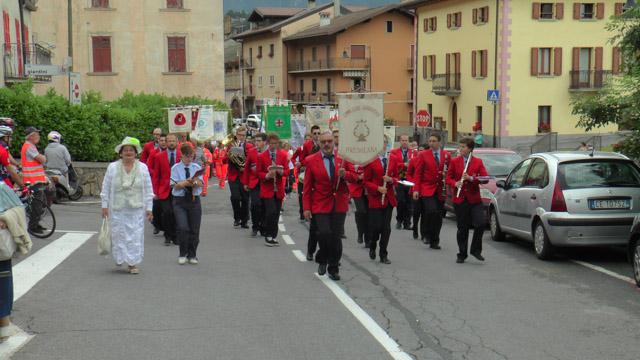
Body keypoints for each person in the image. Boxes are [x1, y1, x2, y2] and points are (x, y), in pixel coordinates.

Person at [303, 131, 356, 280]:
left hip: (339, 203)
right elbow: (307, 187)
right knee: (324, 232)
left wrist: (345, 174)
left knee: (335, 236)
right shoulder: (311, 160)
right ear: (319, 144)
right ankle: (322, 257)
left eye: (329, 141)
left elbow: (356, 177)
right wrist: (306, 208)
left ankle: (333, 267)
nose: (326, 144)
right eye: (323, 142)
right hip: (320, 203)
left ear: (334, 143)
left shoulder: (343, 158)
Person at [100, 137, 154, 274]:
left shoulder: (142, 168)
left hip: (136, 209)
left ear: (136, 153)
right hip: (118, 208)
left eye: (131, 150)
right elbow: (106, 188)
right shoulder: (113, 168)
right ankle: (120, 257)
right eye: (126, 150)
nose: (128, 153)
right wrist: (104, 206)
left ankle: (132, 263)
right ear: (121, 153)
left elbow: (148, 190)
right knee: (118, 234)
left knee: (135, 235)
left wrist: (149, 208)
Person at [446, 137, 488, 264]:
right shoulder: (454, 161)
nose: (461, 149)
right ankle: (462, 253)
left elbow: (485, 178)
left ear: (470, 149)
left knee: (480, 224)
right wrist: (455, 184)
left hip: (474, 199)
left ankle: (475, 250)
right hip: (460, 199)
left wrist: (471, 179)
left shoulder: (478, 162)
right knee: (462, 228)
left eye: (463, 147)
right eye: (460, 146)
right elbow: (448, 178)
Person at [0, 181, 31, 343]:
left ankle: (4, 328)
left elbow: (19, 207)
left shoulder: (1, 188)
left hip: (0, 249)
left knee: (2, 288)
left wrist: (6, 219)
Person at [413, 134, 452, 249]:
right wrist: (416, 189)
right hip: (427, 188)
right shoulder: (424, 154)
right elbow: (418, 173)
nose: (431, 143)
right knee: (431, 211)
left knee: (439, 215)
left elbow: (450, 170)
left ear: (440, 142)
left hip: (441, 188)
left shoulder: (446, 155)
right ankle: (426, 234)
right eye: (430, 141)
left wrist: (447, 174)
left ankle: (435, 240)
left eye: (434, 141)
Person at [364, 136, 399, 264]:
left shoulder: (393, 159)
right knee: (376, 226)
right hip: (376, 198)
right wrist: (377, 188)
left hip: (388, 198)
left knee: (386, 228)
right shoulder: (370, 160)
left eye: (384, 143)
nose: (382, 145)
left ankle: (383, 254)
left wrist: (391, 180)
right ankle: (372, 245)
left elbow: (396, 177)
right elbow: (366, 181)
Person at [171, 143, 204, 265]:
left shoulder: (196, 167)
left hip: (194, 200)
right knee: (183, 227)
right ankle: (182, 253)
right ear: (182, 156)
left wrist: (188, 182)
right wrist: (188, 182)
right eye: (187, 157)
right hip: (180, 201)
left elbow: (200, 182)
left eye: (191, 157)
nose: (189, 159)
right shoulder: (175, 168)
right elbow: (176, 185)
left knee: (194, 229)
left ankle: (193, 254)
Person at [257, 133, 289, 246]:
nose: (273, 146)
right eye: (271, 144)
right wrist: (267, 175)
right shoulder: (261, 156)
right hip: (267, 189)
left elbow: (287, 171)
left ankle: (273, 236)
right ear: (267, 143)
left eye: (275, 144)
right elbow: (258, 173)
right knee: (270, 211)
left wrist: (281, 172)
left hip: (278, 189)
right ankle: (268, 234)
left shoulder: (282, 156)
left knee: (276, 213)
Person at [152, 133, 181, 246]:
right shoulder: (159, 156)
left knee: (176, 213)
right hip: (164, 190)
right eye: (169, 141)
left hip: (178, 189)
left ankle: (175, 236)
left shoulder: (181, 155)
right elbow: (156, 176)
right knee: (167, 212)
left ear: (177, 142)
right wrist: (155, 192)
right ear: (165, 143)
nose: (171, 143)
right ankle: (168, 235)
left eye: (173, 141)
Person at [222, 126, 253, 228]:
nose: (241, 137)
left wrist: (246, 168)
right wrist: (228, 154)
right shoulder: (231, 146)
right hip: (233, 175)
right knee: (235, 197)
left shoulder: (249, 146)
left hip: (244, 176)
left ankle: (244, 220)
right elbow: (224, 159)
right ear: (236, 135)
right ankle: (237, 218)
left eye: (243, 135)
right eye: (239, 135)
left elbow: (251, 160)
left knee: (245, 198)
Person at [21, 127, 47, 234]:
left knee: (37, 203)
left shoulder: (31, 146)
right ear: (31, 136)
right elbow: (42, 159)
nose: (39, 137)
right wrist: (43, 158)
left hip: (34, 179)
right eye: (37, 135)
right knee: (36, 203)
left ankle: (35, 223)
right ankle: (33, 226)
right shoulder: (29, 147)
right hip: (33, 180)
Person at [391, 134, 418, 231]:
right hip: (400, 179)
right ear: (400, 141)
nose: (404, 142)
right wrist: (404, 164)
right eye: (402, 140)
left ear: (408, 141)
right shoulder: (394, 152)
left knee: (409, 201)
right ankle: (399, 219)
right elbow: (393, 164)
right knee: (401, 200)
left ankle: (407, 222)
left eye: (406, 140)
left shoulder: (414, 152)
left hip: (410, 179)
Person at [243, 133, 267, 237]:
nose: (256, 143)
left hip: (266, 182)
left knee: (264, 206)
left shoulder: (269, 152)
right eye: (255, 140)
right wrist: (245, 182)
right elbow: (247, 168)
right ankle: (255, 226)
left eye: (259, 141)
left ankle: (263, 227)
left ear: (265, 142)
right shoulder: (252, 152)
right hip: (254, 182)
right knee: (255, 205)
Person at [147, 134, 167, 235]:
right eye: (161, 140)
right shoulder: (153, 153)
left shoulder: (171, 153)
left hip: (166, 182)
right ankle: (156, 225)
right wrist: (156, 172)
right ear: (158, 142)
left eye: (165, 140)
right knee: (156, 205)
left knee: (166, 207)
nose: (163, 142)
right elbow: (148, 166)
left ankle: (166, 226)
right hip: (156, 181)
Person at [406, 144, 425, 241]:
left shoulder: (428, 160)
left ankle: (423, 232)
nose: (420, 152)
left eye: (422, 150)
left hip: (425, 189)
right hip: (415, 189)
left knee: (424, 212)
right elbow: (408, 173)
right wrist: (413, 182)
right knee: (416, 211)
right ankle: (415, 228)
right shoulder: (413, 160)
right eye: (419, 150)